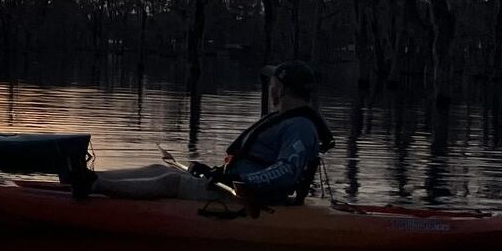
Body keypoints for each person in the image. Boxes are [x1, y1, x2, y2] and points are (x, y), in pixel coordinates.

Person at [66, 61, 333, 204]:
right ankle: (89, 177)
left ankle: (94, 186)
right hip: (235, 185)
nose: (270, 87)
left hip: (249, 197)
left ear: (282, 89)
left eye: (273, 82)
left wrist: (241, 180)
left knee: (171, 182)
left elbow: (286, 170)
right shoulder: (285, 119)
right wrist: (218, 171)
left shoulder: (300, 127)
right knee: (159, 169)